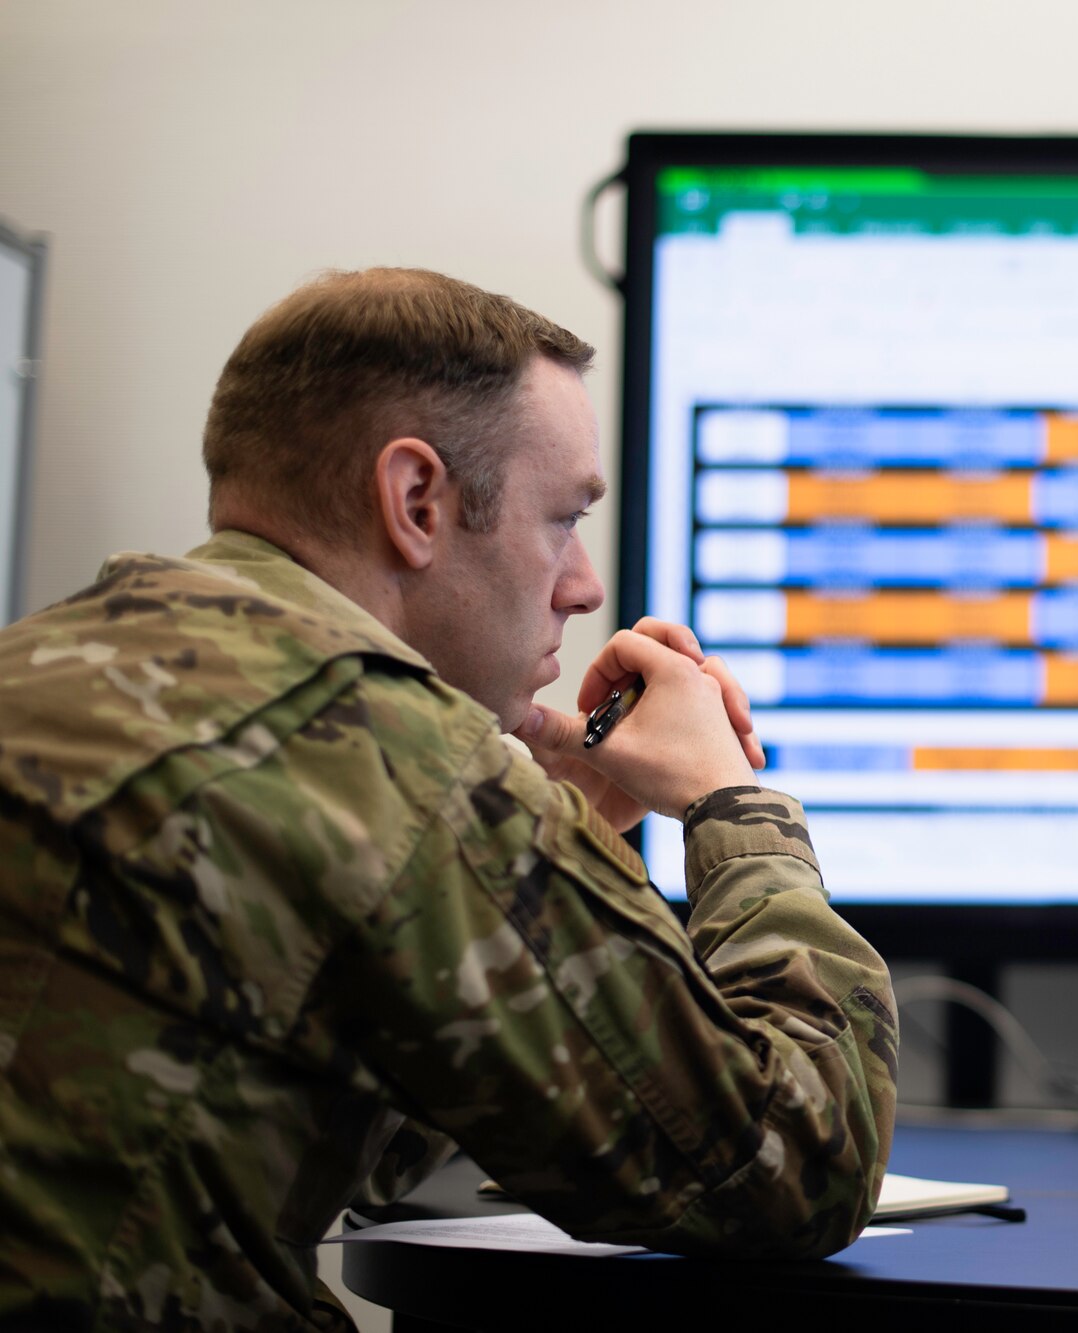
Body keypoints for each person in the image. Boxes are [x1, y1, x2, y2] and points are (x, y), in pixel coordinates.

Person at [0, 268, 898, 1332]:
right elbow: (798, 1165)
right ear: (416, 500)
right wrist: (729, 805)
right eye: (561, 518)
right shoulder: (387, 756)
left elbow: (357, 1080)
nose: (582, 586)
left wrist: (548, 832)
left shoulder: (53, 658)